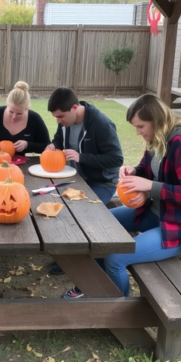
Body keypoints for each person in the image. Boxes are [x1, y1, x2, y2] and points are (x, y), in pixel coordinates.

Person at [77, 94, 181, 297]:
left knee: (116, 258)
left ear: (157, 121)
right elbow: (147, 169)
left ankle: (118, 312)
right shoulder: (158, 137)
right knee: (98, 225)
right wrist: (134, 171)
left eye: (141, 127)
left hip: (180, 226)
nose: (138, 132)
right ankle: (96, 288)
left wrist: (149, 185)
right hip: (154, 212)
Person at [45, 87, 124, 293]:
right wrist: (53, 146)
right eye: (55, 117)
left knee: (86, 216)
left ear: (74, 108)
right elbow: (58, 140)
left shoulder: (101, 124)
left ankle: (92, 274)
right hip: (75, 178)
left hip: (101, 182)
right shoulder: (65, 122)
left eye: (61, 116)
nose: (58, 121)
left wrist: (82, 157)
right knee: (55, 208)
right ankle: (70, 260)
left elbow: (116, 159)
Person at [0, 81, 51, 155]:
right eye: (11, 111)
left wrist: (27, 145)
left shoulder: (34, 119)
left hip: (21, 163)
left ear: (27, 109)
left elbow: (46, 145)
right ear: (7, 105)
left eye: (19, 113)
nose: (14, 117)